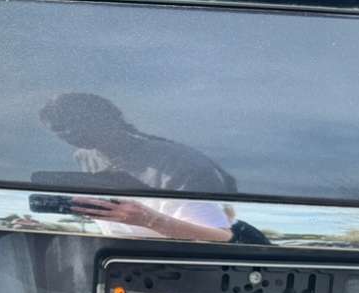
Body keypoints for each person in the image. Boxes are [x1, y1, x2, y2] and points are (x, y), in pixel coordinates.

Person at [39, 92, 238, 242]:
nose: (68, 132)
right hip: (111, 253)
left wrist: (149, 220)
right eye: (58, 129)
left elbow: (220, 236)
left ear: (108, 118)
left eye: (75, 122)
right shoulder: (84, 156)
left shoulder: (180, 162)